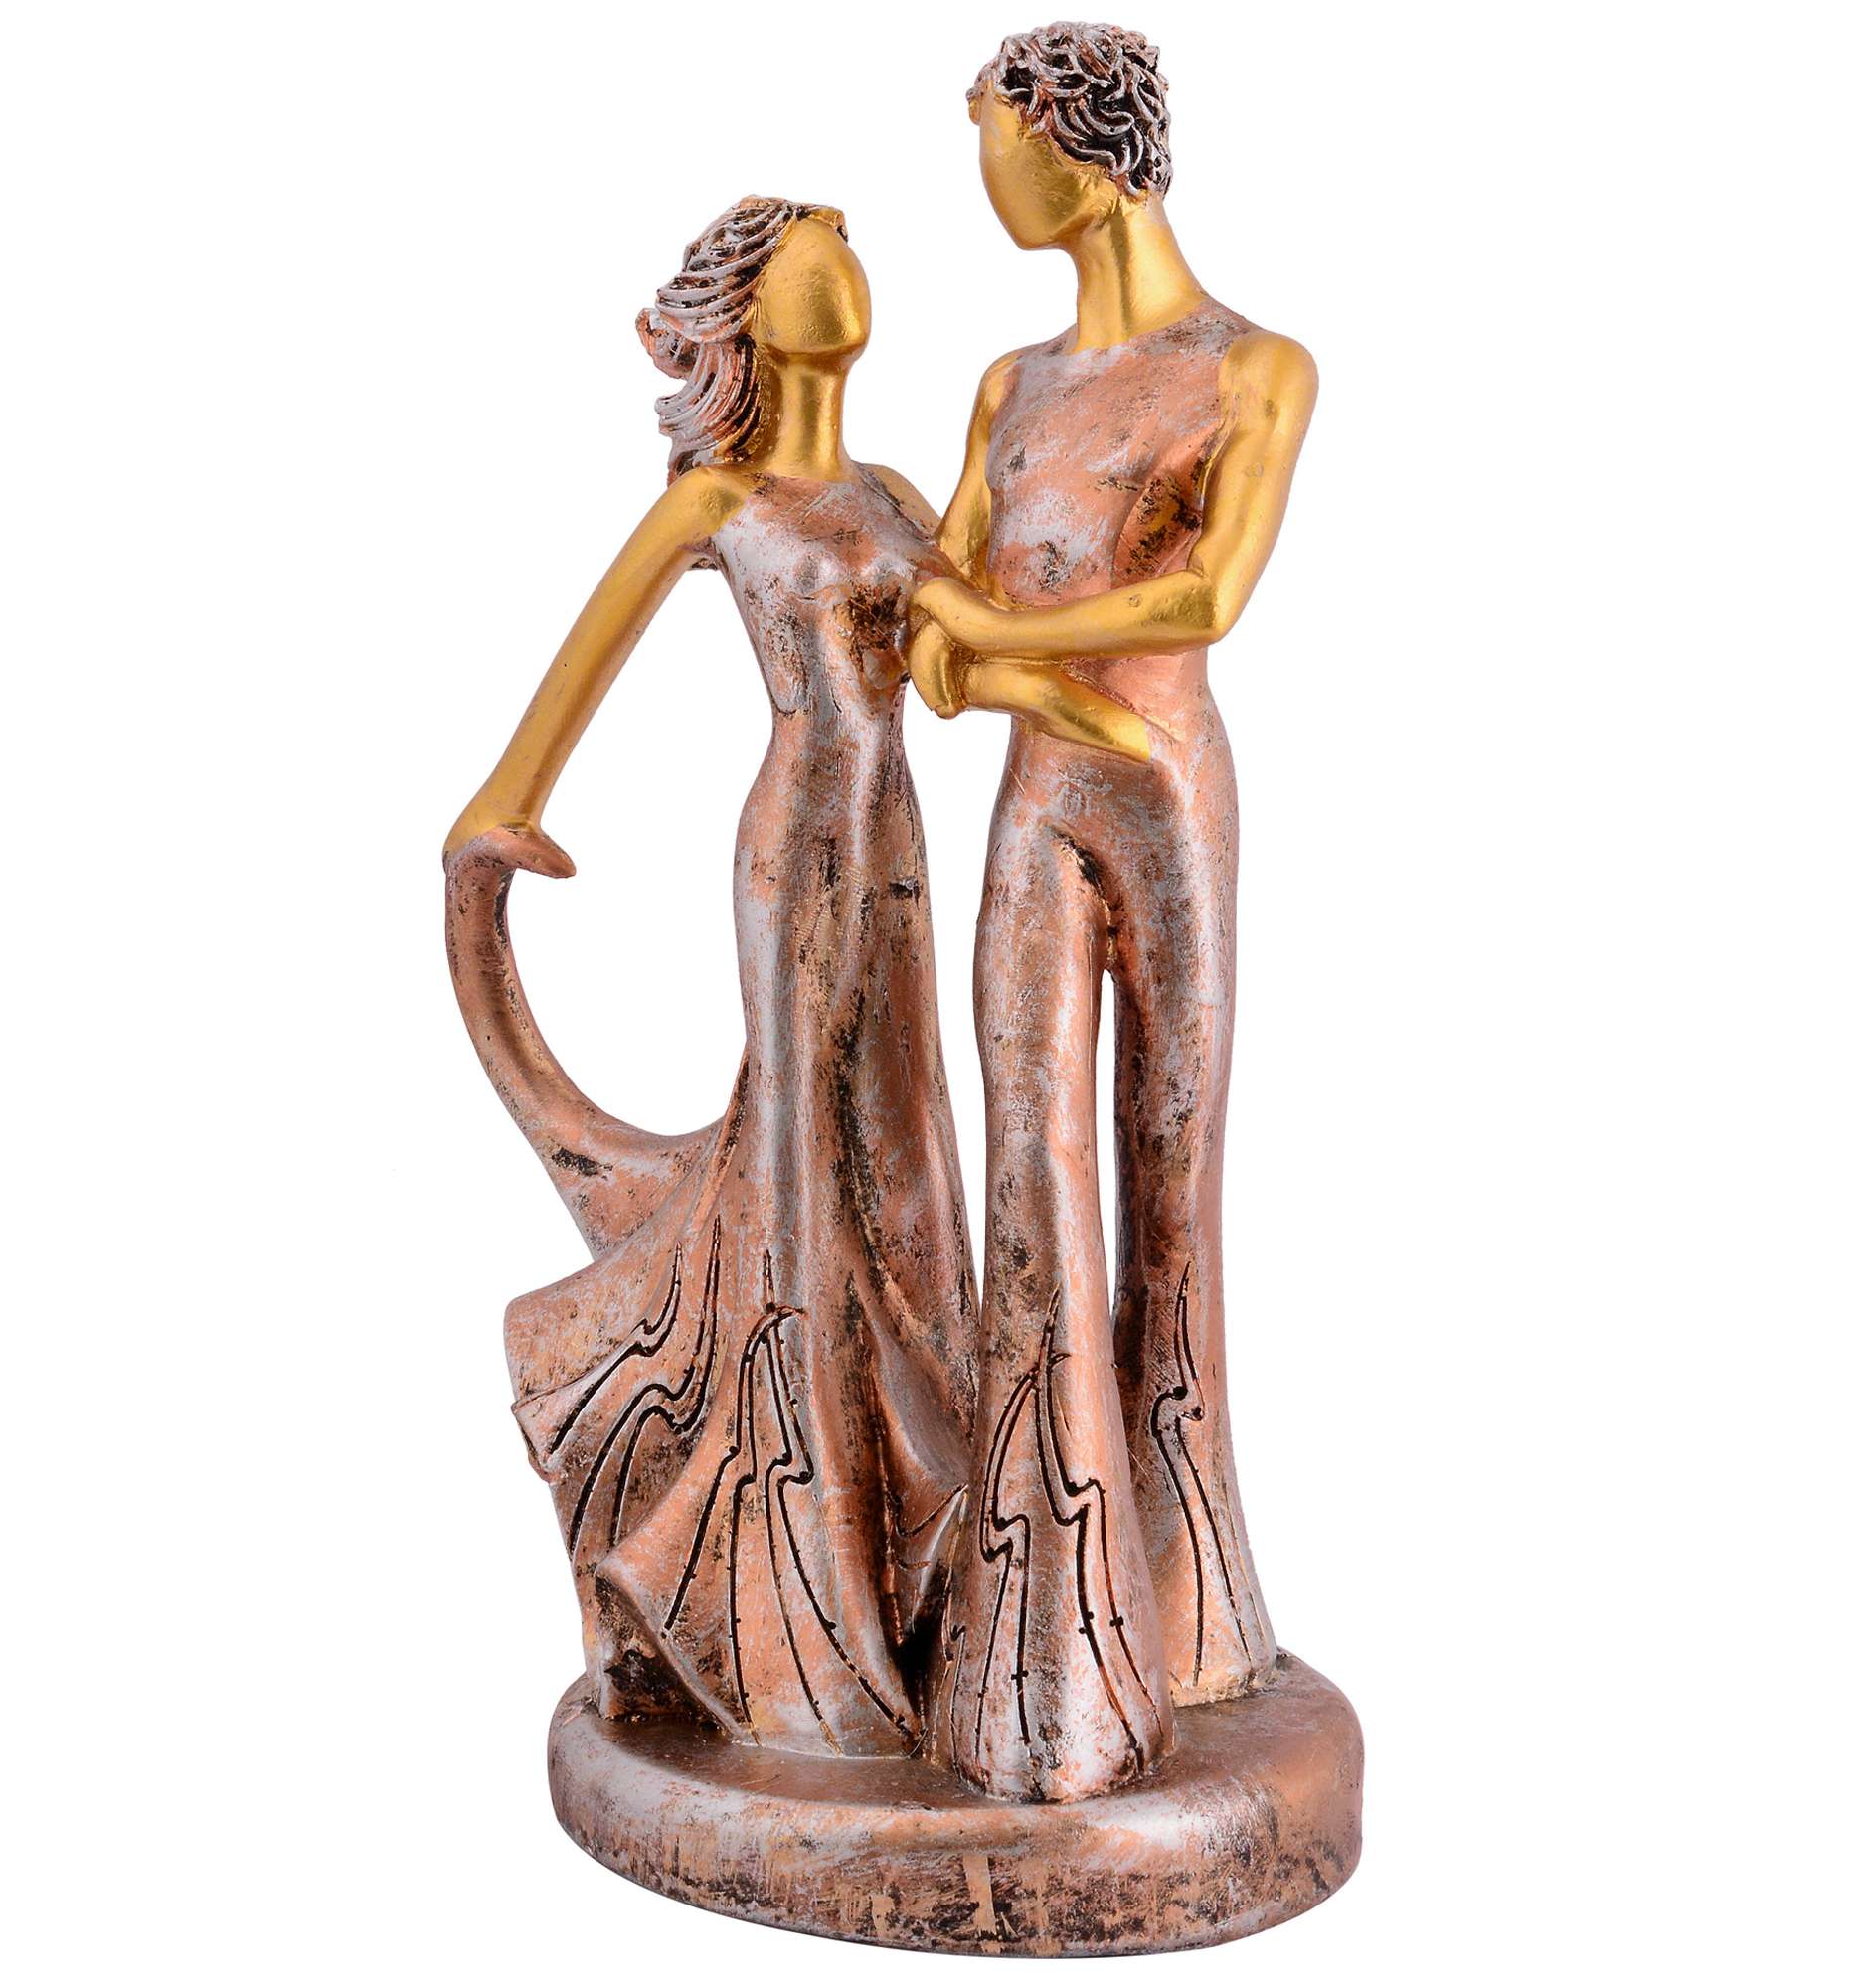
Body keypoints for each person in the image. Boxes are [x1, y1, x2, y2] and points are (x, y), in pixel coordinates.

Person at [442, 198, 1127, 1754]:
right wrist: (498, 819)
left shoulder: (891, 495)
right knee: (804, 1166)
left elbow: (963, 656)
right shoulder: (718, 503)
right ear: (751, 315)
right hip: (796, 843)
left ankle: (924, 1543)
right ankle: (783, 1593)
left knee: (907, 1162)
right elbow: (576, 676)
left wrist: (1109, 713)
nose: (843, 256)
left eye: (845, 241)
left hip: (897, 842)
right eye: (809, 248)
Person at [908, 25, 1321, 1800]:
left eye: (992, 143)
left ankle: (1193, 1611)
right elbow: (927, 625)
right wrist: (1002, 666)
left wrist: (994, 642)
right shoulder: (1008, 389)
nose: (981, 179)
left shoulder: (1253, 369)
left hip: (1170, 807)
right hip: (1046, 807)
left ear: (1074, 154)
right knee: (1030, 1182)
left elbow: (1205, 598)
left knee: (1172, 1181)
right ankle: (1044, 1645)